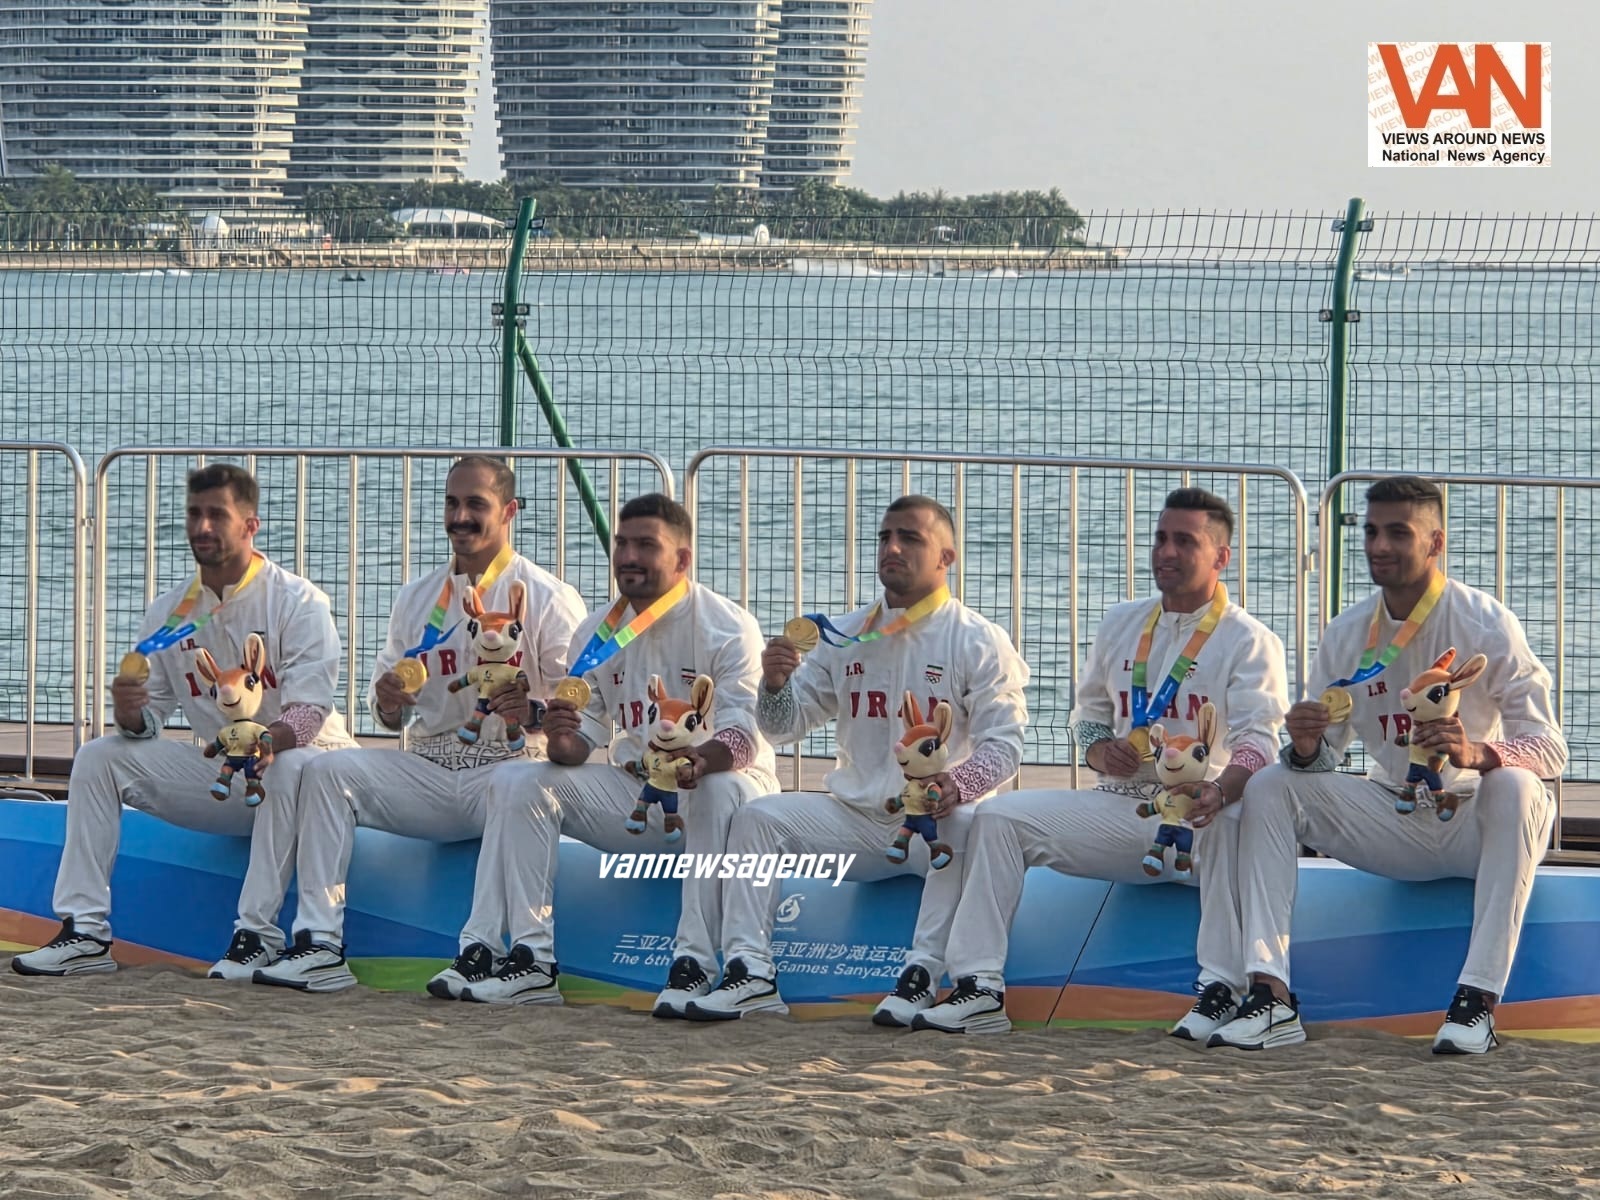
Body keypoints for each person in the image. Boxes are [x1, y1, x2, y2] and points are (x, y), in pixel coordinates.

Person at [1203, 476, 1565, 1055]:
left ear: (1435, 543)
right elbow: (1323, 762)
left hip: (1473, 817)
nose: (1380, 546)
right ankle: (1270, 996)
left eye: (1399, 532)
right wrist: (1303, 747)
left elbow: (1549, 746)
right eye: (1371, 531)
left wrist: (1478, 754)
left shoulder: (1484, 623)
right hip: (1395, 814)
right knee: (1273, 784)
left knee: (1519, 788)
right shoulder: (1347, 634)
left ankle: (1476, 1005)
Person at [911, 487, 1289, 1034]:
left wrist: (1220, 788)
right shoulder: (1122, 621)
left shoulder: (1250, 640)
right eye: (1161, 538)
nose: (1167, 552)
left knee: (1236, 820)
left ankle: (1221, 989)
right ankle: (978, 986)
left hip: (1202, 819)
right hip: (1120, 808)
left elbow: (1260, 740)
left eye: (1185, 541)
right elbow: (1086, 711)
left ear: (1221, 556)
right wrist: (1095, 749)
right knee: (997, 818)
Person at [684, 495, 1031, 1026]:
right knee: (758, 818)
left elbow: (1005, 746)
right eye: (885, 536)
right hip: (855, 820)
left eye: (910, 538)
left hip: (931, 826)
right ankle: (749, 971)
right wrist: (774, 685)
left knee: (968, 821)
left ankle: (921, 976)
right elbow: (784, 726)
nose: (892, 547)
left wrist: (954, 785)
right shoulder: (845, 634)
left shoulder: (979, 640)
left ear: (947, 558)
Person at [253, 455, 586, 993]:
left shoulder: (548, 597)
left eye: (476, 504)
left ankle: (484, 953)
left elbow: (581, 712)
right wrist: (387, 702)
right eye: (452, 503)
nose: (460, 517)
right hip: (431, 766)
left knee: (514, 782)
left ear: (510, 512)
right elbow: (389, 712)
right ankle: (318, 944)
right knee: (327, 771)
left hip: (509, 769)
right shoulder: (419, 597)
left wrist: (535, 712)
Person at [12, 464, 356, 980]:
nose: (202, 527)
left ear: (250, 525)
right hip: (230, 779)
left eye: (217, 515)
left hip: (312, 780)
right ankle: (85, 931)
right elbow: (152, 719)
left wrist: (265, 743)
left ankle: (258, 936)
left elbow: (308, 715)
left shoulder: (297, 602)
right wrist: (131, 715)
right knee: (100, 756)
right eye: (194, 514)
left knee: (287, 762)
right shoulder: (171, 611)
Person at [450, 493, 779, 1010]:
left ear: (682, 560)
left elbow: (744, 737)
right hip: (639, 795)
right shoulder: (597, 630)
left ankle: (693, 964)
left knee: (719, 787)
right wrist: (552, 729)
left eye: (646, 546)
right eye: (622, 544)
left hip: (720, 798)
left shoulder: (726, 626)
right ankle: (531, 961)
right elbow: (580, 741)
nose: (628, 557)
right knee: (519, 779)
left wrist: (697, 762)